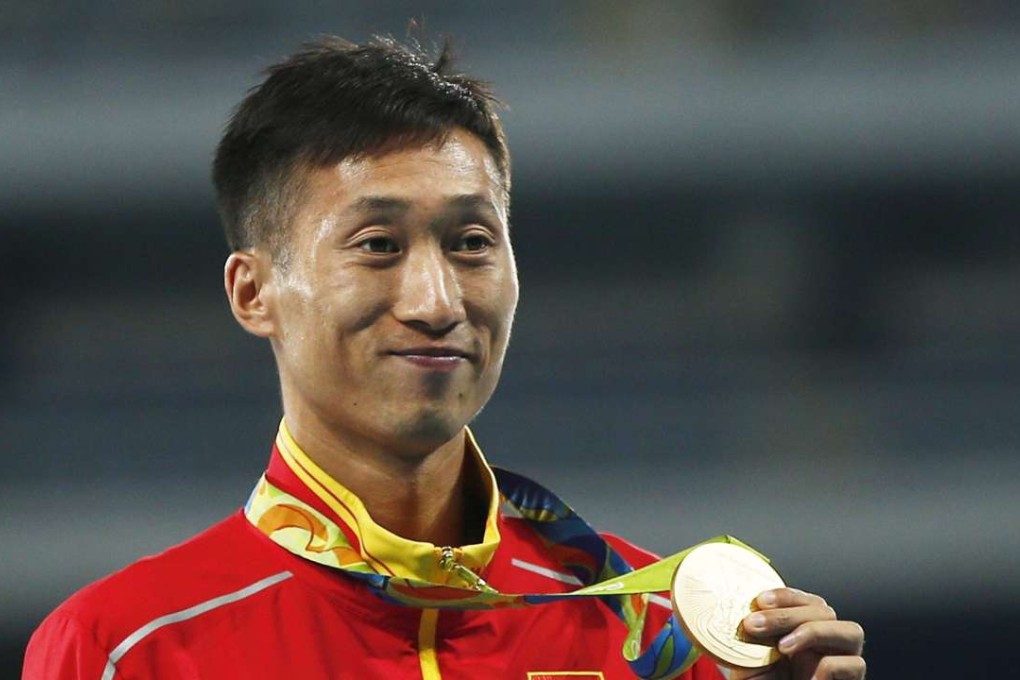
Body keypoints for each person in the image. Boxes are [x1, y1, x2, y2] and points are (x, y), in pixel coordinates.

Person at [23, 36, 865, 680]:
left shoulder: (649, 633)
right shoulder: (127, 649)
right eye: (378, 245)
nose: (436, 302)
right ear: (254, 293)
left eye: (470, 242)